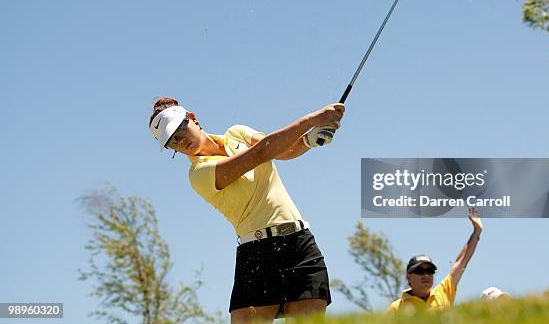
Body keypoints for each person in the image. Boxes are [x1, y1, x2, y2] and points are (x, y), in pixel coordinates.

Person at [148, 97, 345, 323]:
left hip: (300, 246)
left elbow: (284, 151)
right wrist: (311, 119)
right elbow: (260, 153)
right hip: (257, 255)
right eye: (172, 142)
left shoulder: (237, 133)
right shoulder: (199, 174)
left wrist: (309, 139)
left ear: (192, 118)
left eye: (180, 130)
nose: (181, 141)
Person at [387, 208, 483, 312]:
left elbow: (461, 262)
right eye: (420, 271)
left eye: (430, 271)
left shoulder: (443, 292)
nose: (426, 275)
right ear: (408, 276)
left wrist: (477, 232)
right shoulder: (396, 308)